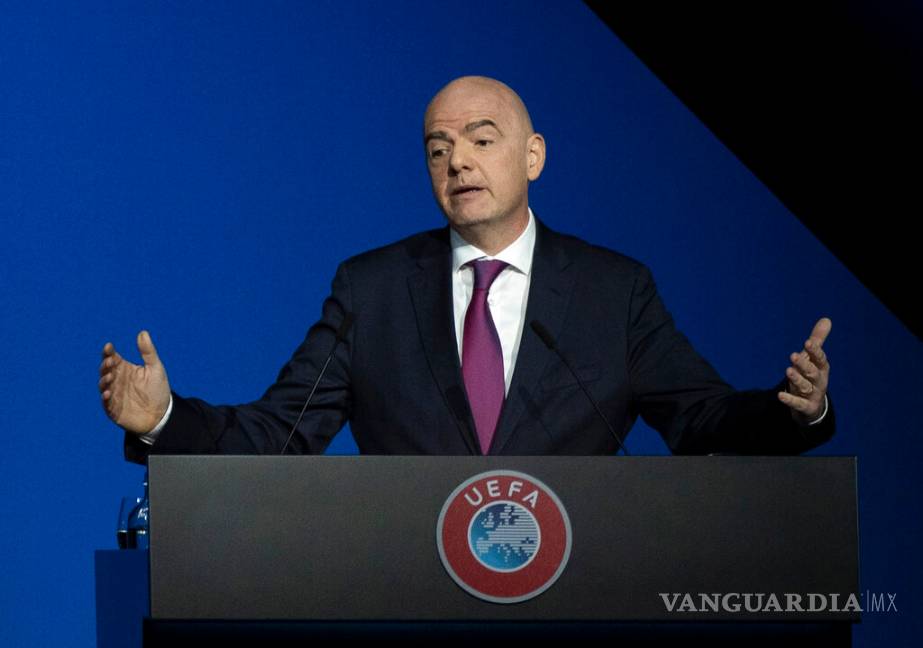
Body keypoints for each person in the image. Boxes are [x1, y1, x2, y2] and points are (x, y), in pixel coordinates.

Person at [99, 76, 833, 460]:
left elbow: (699, 419)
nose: (457, 162)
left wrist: (791, 409)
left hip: (580, 591)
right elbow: (281, 432)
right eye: (438, 148)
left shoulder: (614, 290)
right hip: (411, 594)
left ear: (533, 156)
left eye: (481, 140)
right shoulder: (371, 289)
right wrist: (164, 418)